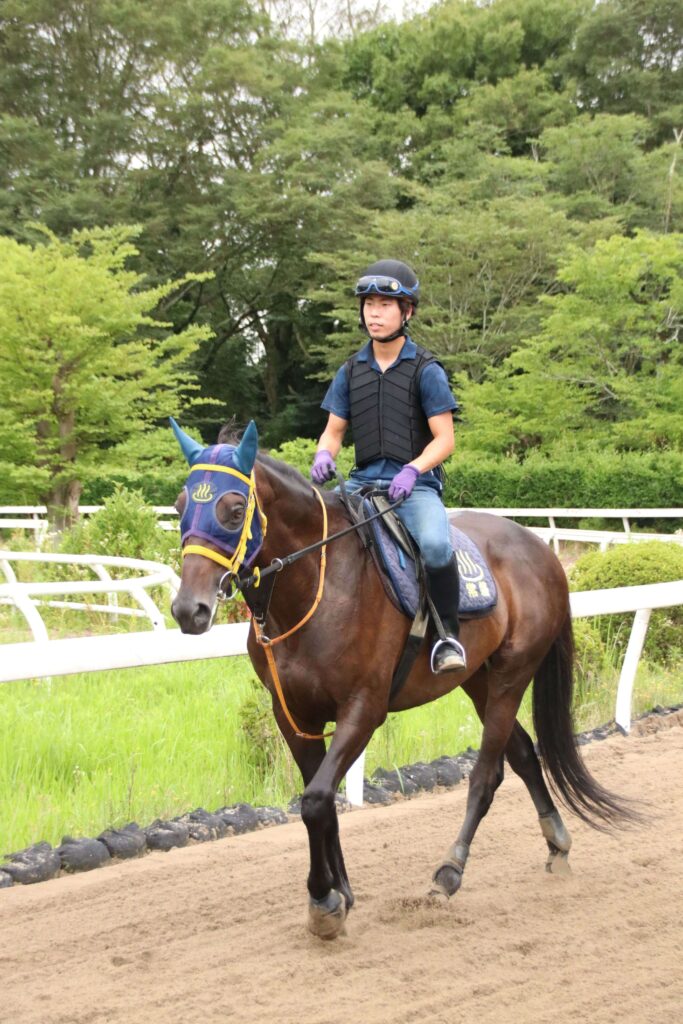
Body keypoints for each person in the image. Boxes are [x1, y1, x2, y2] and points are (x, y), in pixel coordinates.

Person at [310, 258, 467, 673]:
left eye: (385, 304)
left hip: (413, 487)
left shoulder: (427, 371)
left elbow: (445, 440)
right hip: (362, 483)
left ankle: (448, 637)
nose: (374, 313)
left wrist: (414, 470)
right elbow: (333, 431)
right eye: (369, 304)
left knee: (434, 545)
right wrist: (324, 454)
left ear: (407, 311)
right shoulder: (350, 370)